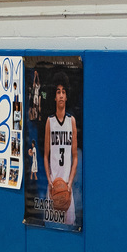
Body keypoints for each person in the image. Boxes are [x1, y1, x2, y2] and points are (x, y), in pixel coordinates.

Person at [44, 71, 78, 225]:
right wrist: (50, 181)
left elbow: (75, 157)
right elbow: (45, 156)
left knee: (70, 229)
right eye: (58, 92)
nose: (61, 95)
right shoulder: (49, 122)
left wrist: (69, 183)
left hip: (67, 188)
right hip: (53, 187)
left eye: (64, 92)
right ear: (54, 96)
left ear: (67, 95)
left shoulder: (72, 121)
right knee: (50, 228)